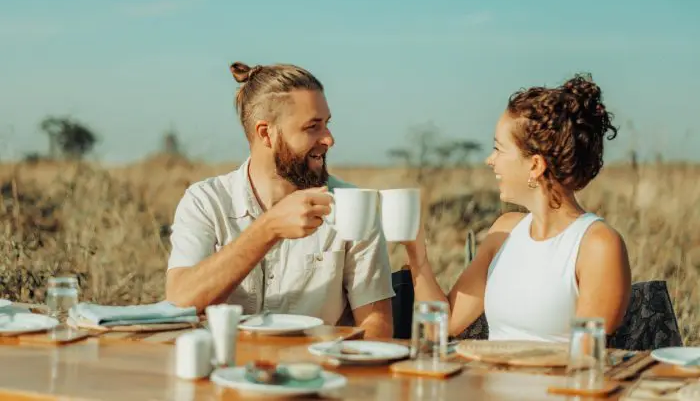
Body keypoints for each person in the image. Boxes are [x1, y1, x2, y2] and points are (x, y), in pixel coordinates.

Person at [165, 62, 395, 339]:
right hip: (223, 371)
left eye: (327, 124)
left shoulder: (352, 205)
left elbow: (377, 330)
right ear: (266, 133)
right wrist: (268, 229)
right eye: (313, 127)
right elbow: (179, 301)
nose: (329, 139)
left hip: (316, 373)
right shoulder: (205, 201)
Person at [402, 73, 632, 342]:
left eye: (499, 149)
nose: (490, 160)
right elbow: (443, 326)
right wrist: (416, 255)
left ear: (535, 165)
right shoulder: (504, 231)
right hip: (490, 380)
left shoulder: (598, 245)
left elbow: (587, 364)